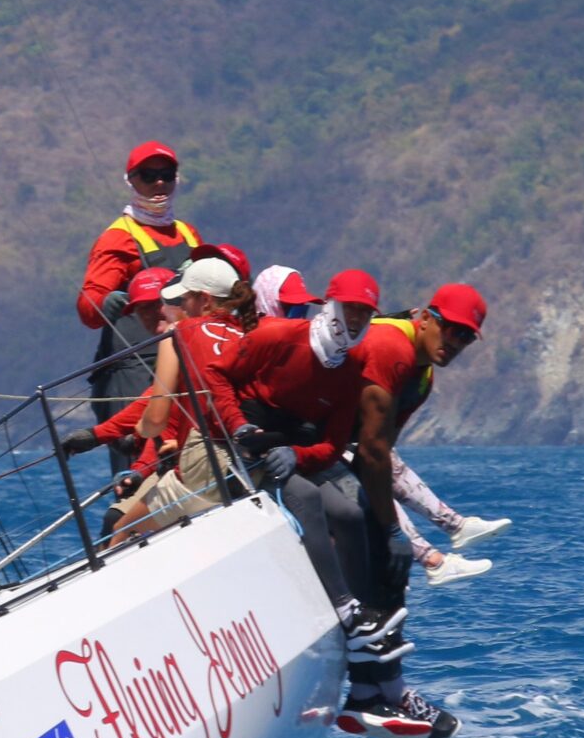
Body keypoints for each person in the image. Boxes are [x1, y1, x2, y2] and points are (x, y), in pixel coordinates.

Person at [192, 271, 419, 677]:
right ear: (329, 306)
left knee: (349, 514)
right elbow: (217, 375)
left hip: (286, 447)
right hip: (239, 442)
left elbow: (332, 445)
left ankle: (362, 613)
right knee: (310, 499)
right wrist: (237, 425)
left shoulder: (353, 368)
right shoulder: (278, 335)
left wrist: (296, 455)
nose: (355, 320)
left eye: (365, 313)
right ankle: (345, 609)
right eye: (350, 308)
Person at [327, 282, 497, 737]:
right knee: (386, 558)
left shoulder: (421, 373)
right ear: (425, 317)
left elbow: (384, 452)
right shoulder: (390, 346)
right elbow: (372, 452)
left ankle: (381, 691)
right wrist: (392, 530)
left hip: (345, 456)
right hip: (316, 451)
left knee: (392, 564)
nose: (454, 343)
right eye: (450, 330)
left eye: (465, 338)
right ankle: (374, 693)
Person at [60, 257, 245, 536]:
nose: (152, 314)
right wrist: (102, 438)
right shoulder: (241, 334)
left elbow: (156, 419)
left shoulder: (179, 336)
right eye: (141, 309)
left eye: (175, 301)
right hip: (238, 458)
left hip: (203, 465)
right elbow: (163, 412)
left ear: (200, 301)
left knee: (118, 529)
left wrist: (135, 442)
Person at [76, 144, 207, 459]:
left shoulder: (189, 234)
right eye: (149, 176)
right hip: (132, 370)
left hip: (185, 362)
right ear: (131, 181)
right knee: (138, 459)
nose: (159, 183)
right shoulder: (118, 238)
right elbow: (88, 307)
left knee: (186, 454)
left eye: (167, 175)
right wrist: (106, 301)